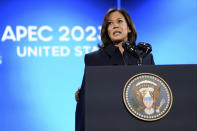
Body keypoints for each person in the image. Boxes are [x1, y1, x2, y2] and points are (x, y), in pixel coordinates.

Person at [75, 8, 155, 131]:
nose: (115, 26)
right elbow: (85, 102)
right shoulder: (93, 59)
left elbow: (155, 92)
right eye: (110, 24)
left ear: (129, 28)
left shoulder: (145, 57)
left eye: (119, 21)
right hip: (107, 123)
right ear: (107, 31)